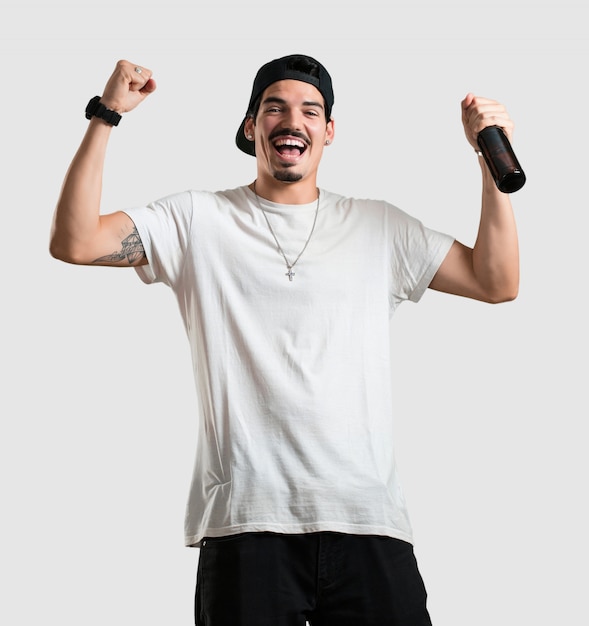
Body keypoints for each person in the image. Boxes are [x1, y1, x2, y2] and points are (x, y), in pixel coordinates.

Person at [50, 54, 520, 626]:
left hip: (367, 521)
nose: (291, 120)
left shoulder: (380, 227)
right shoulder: (198, 220)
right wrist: (106, 115)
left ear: (328, 131)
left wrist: (487, 162)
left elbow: (497, 282)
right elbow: (74, 241)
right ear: (251, 127)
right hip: (247, 523)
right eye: (274, 107)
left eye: (309, 110)